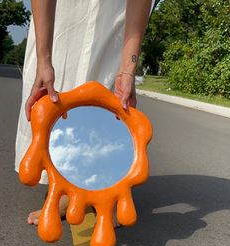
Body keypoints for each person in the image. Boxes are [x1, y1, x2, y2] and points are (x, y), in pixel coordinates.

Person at [15, 0, 155, 225]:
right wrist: (44, 59)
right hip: (61, 14)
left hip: (114, 15)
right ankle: (66, 187)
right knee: (55, 92)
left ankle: (103, 187)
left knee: (109, 96)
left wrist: (129, 69)